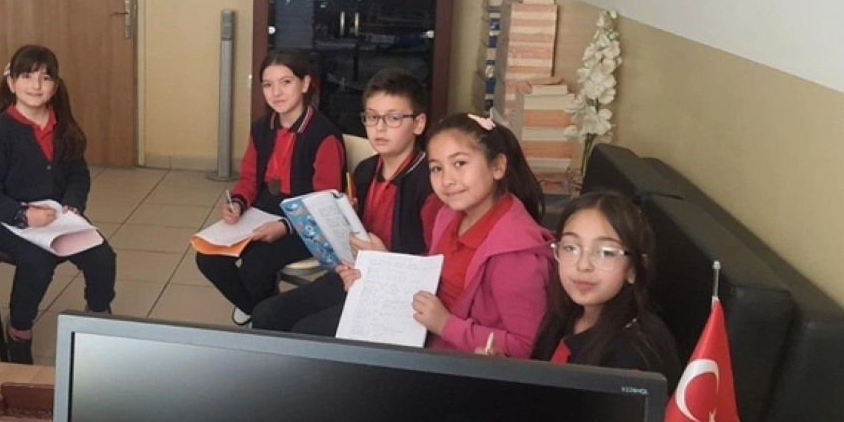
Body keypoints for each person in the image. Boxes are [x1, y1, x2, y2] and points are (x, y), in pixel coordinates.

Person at [251, 68, 443, 335]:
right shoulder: (365, 170)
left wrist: (383, 261)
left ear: (419, 124)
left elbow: (437, 266)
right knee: (265, 314)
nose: (380, 128)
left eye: (394, 118)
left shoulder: (431, 184)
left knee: (307, 331)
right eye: (372, 117)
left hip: (399, 293)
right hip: (355, 275)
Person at [0, 45, 116, 364]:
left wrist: (73, 204)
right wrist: (22, 215)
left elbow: (79, 174)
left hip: (54, 215)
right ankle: (19, 331)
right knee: (38, 262)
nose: (36, 85)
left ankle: (98, 318)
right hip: (3, 217)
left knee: (102, 256)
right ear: (12, 83)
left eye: (45, 77)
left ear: (55, 85)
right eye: (27, 76)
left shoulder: (63, 126)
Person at [378, 112, 553, 357]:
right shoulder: (448, 214)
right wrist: (379, 269)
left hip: (458, 362)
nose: (447, 180)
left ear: (497, 166)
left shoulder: (515, 255)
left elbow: (526, 346)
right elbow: (439, 272)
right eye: (436, 168)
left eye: (459, 163)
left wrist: (445, 324)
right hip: (421, 337)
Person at [196, 49, 345, 326]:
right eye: (267, 85)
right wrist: (237, 203)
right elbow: (249, 179)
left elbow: (324, 203)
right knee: (207, 257)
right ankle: (261, 311)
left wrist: (285, 227)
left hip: (307, 222)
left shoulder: (323, 135)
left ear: (305, 83)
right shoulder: (261, 128)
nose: (276, 92)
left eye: (286, 82)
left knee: (256, 265)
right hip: (263, 209)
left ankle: (265, 315)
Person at [480, 191, 681, 390]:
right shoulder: (570, 312)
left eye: (605, 252)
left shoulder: (632, 358)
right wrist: (505, 370)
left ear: (635, 268)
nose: (583, 265)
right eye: (571, 248)